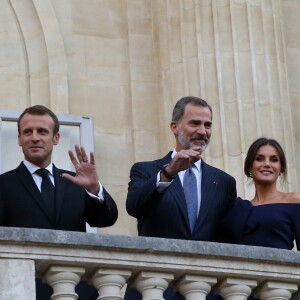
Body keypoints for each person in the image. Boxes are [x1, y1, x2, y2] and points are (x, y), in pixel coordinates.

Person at [0, 105, 118, 300]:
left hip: (75, 287)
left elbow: (106, 219)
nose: (35, 137)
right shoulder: (3, 184)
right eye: (28, 132)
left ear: (56, 138)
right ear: (19, 139)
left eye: (42, 131)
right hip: (22, 288)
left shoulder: (76, 181)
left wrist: (94, 189)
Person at [125, 96, 237, 300]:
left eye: (208, 125)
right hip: (155, 287)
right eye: (195, 123)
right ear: (174, 127)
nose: (202, 131)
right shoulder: (146, 170)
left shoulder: (224, 182)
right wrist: (167, 173)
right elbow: (134, 207)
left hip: (206, 290)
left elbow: (227, 238)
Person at [218, 137, 300, 250]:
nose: (267, 164)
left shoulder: (294, 201)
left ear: (281, 169)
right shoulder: (237, 208)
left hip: (279, 266)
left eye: (274, 159)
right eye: (259, 159)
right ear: (250, 167)